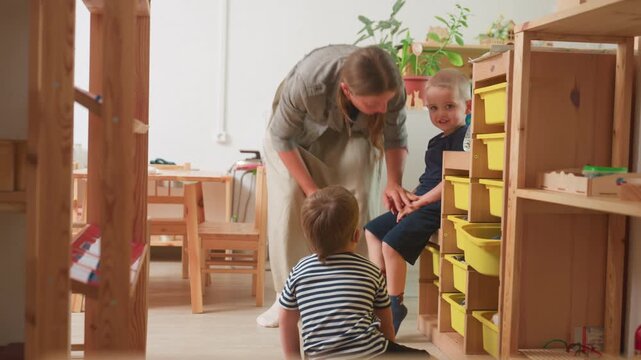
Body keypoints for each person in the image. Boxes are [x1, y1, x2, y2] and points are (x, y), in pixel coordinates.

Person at [258, 44, 414, 327]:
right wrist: (311, 190)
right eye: (373, 104)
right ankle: (288, 298)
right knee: (293, 196)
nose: (383, 109)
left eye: (386, 101)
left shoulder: (391, 90)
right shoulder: (309, 81)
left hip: (353, 131)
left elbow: (395, 137)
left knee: (362, 192)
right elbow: (282, 138)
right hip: (292, 139)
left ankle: (357, 295)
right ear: (347, 90)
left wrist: (394, 182)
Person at [364, 68, 471, 334]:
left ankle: (395, 303)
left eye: (449, 106)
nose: (440, 114)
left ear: (467, 106)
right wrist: (408, 197)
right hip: (422, 202)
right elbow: (429, 179)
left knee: (391, 245)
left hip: (438, 207)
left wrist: (420, 203)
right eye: (433, 108)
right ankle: (379, 292)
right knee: (373, 230)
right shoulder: (437, 140)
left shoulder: (466, 140)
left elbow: (453, 181)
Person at [279, 186, 429, 359]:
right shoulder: (370, 271)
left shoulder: (299, 272)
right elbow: (386, 323)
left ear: (308, 238)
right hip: (370, 353)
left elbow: (286, 321)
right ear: (357, 235)